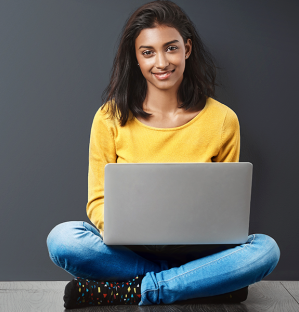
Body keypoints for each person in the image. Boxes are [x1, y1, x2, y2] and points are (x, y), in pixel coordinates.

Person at [46, 0, 280, 308]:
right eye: (148, 52)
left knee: (266, 249)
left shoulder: (223, 120)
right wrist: (132, 229)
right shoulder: (109, 117)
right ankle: (203, 283)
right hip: (130, 250)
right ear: (137, 58)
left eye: (171, 48)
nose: (161, 62)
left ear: (187, 49)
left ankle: (137, 289)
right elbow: (97, 202)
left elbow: (227, 212)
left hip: (199, 251)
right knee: (63, 239)